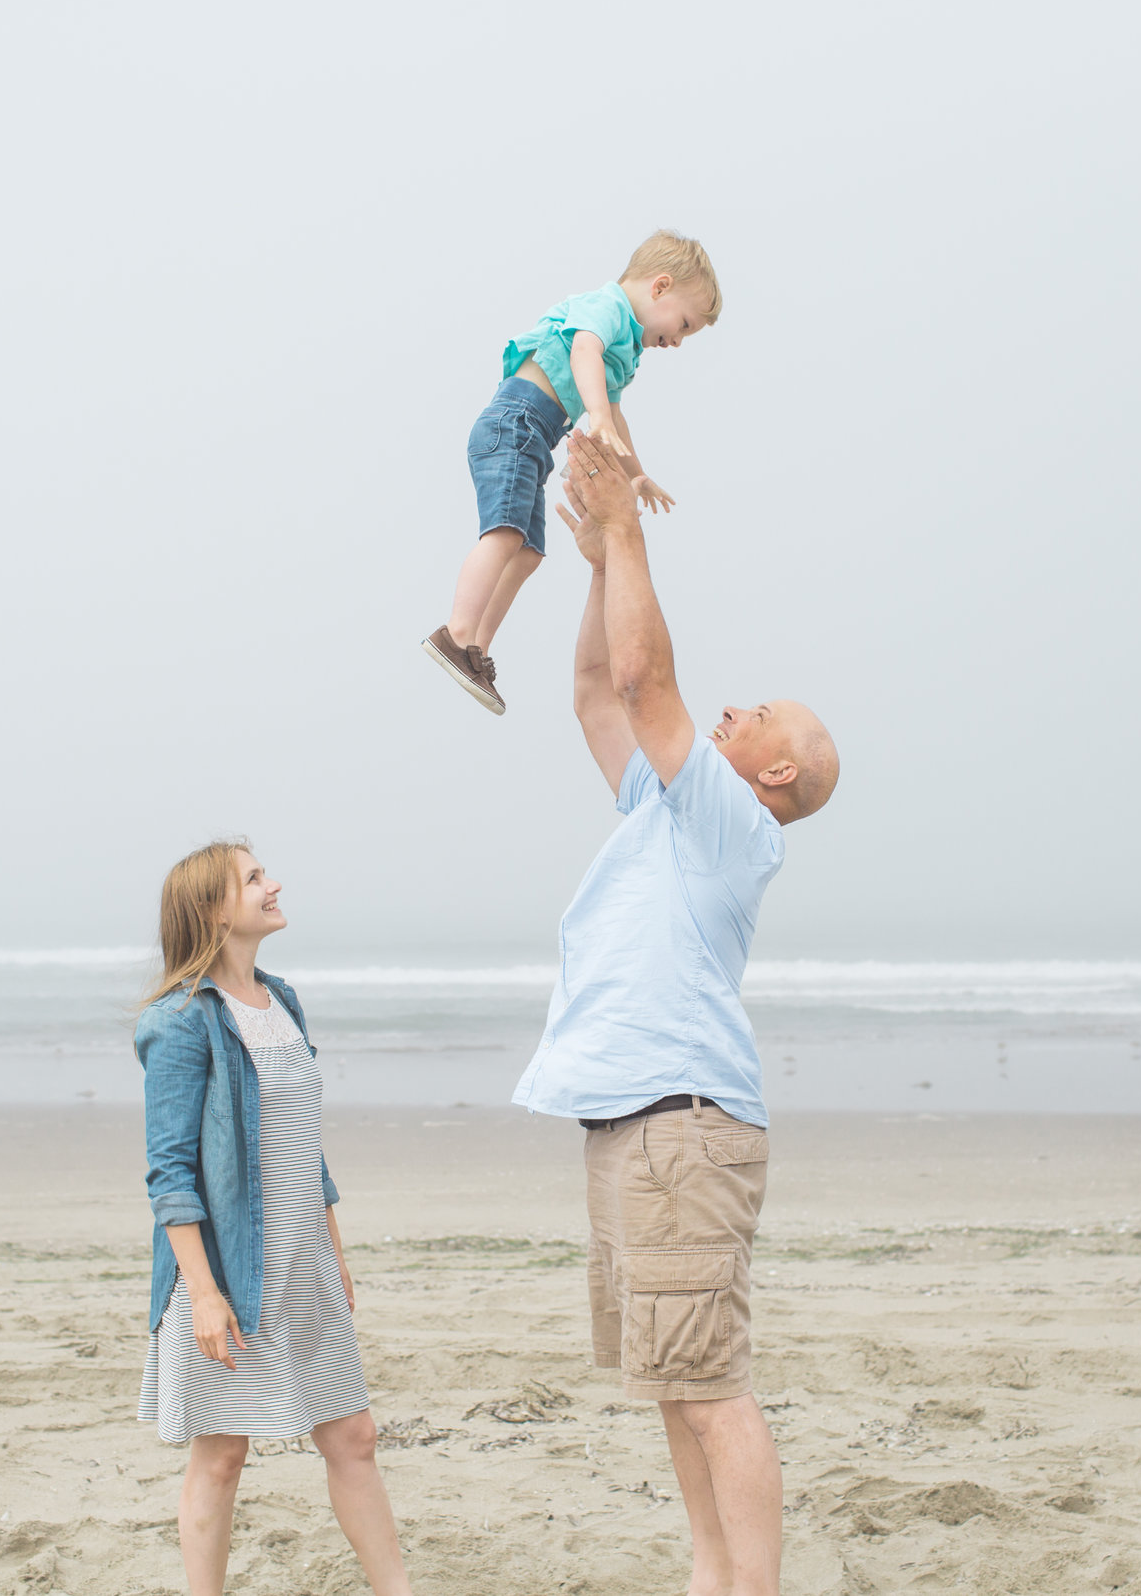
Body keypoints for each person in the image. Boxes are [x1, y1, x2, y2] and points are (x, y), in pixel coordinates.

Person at [512, 428, 839, 1596]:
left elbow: (650, 683)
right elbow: (599, 687)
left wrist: (631, 530)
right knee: (670, 1376)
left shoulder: (730, 823)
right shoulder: (664, 802)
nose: (735, 708)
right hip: (631, 1117)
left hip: (681, 1121)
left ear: (777, 774)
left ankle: (749, 1583)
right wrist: (600, 556)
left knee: (710, 1380)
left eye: (760, 714)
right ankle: (711, 1573)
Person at [133, 841, 413, 1596]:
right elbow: (170, 1173)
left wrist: (336, 1251)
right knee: (222, 1454)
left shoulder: (282, 998)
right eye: (254, 878)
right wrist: (203, 1294)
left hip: (306, 1263)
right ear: (212, 909)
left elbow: (302, 1144)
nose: (274, 882)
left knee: (353, 1435)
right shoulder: (182, 1021)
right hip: (229, 1274)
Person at [422, 230, 722, 716]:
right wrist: (597, 416)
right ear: (660, 287)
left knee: (528, 551)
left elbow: (615, 418)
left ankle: (474, 647)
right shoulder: (606, 308)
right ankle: (455, 632)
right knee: (504, 533)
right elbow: (583, 352)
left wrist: (636, 474)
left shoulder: (626, 351)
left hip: (535, 439)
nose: (679, 342)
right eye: (685, 325)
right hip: (516, 421)